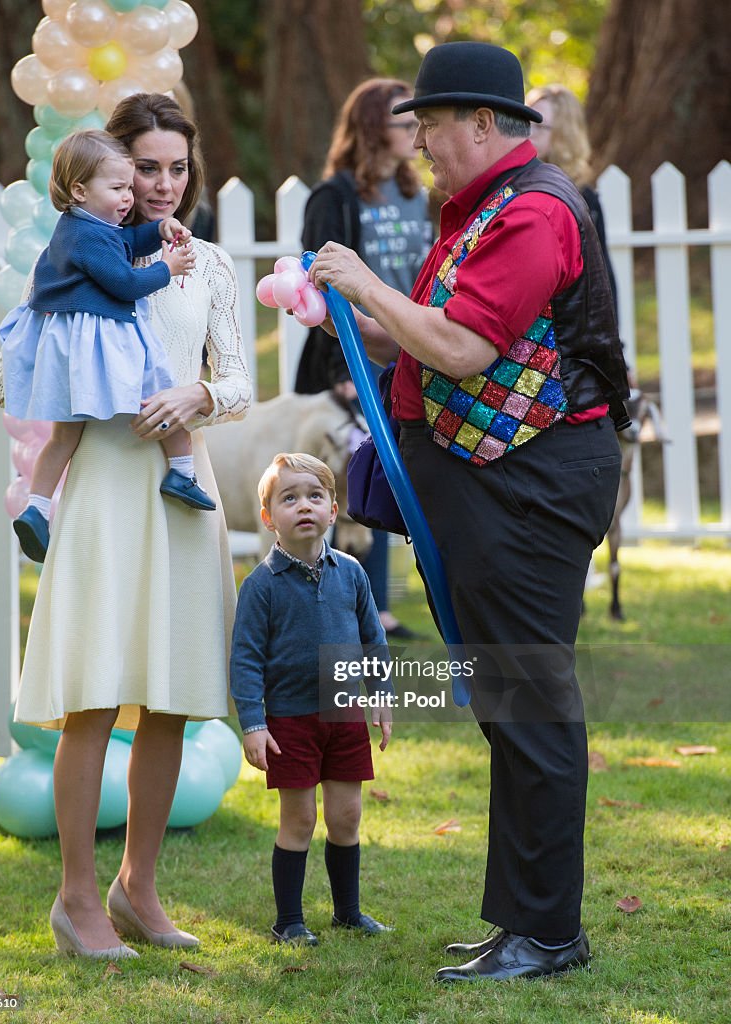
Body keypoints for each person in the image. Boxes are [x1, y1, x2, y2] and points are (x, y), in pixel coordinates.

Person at [309, 42, 630, 981]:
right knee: (507, 701)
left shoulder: (532, 214)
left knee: (530, 701)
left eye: (431, 128)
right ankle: (525, 924)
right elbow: (431, 333)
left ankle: (550, 934)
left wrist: (368, 282)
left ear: (484, 126)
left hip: (533, 484)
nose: (419, 148)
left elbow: (460, 349)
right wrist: (353, 316)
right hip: (500, 481)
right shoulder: (483, 209)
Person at [4, 92, 251, 959]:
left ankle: (137, 887)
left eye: (178, 168)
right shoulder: (78, 254)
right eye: (146, 166)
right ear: (115, 168)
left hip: (181, 488)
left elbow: (241, 381)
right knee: (95, 696)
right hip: (107, 484)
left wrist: (201, 394)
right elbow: (29, 365)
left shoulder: (207, 262)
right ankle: (76, 899)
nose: (162, 184)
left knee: (174, 700)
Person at [0, 129, 215, 564]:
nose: (127, 198)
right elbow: (125, 281)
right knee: (159, 399)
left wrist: (159, 230)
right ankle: (182, 473)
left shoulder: (85, 228)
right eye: (118, 188)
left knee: (63, 435)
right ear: (79, 189)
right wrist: (168, 268)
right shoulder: (89, 236)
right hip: (101, 340)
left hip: (72, 341)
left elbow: (130, 242)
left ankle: (37, 507)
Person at [230, 453, 393, 946]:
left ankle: (348, 912)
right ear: (268, 517)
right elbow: (246, 659)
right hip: (290, 722)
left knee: (346, 816)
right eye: (289, 498)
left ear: (333, 509)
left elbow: (372, 640)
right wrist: (254, 724)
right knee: (299, 819)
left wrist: (381, 694)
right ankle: (289, 921)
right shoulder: (261, 587)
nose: (304, 506)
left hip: (343, 716)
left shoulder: (353, 573)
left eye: (314, 496)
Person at [295, 78, 433, 639]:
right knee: (332, 487)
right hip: (349, 361)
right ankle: (321, 604)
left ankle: (377, 605)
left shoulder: (418, 193)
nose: (416, 135)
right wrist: (342, 371)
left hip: (404, 352)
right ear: (375, 128)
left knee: (386, 482)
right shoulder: (335, 197)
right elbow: (318, 288)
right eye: (405, 124)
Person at [526, 83, 618, 315]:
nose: (528, 133)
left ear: (563, 134)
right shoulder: (516, 188)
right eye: (525, 123)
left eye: (539, 126)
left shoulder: (584, 200)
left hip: (566, 327)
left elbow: (601, 277)